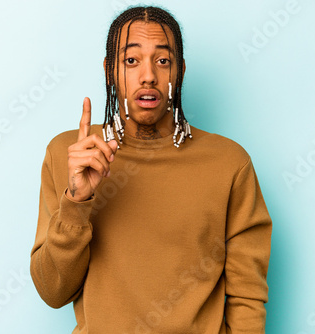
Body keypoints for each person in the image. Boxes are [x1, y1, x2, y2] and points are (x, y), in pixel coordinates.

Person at [30, 5, 272, 334]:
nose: (148, 76)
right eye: (131, 60)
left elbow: (247, 295)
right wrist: (76, 201)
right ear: (109, 71)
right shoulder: (69, 155)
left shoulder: (229, 162)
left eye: (162, 60)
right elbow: (52, 291)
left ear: (180, 71)